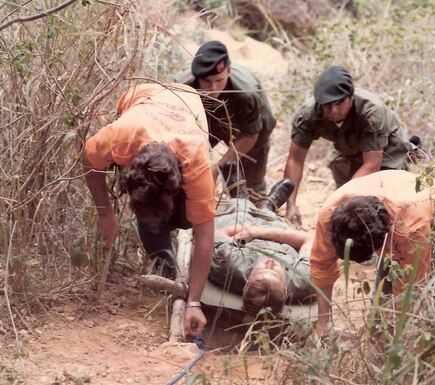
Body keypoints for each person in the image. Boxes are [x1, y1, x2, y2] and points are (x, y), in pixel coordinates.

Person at [81, 82, 216, 337]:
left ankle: (167, 231)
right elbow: (88, 160)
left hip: (188, 100)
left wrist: (194, 303)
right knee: (151, 221)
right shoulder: (119, 138)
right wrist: (105, 214)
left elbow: (205, 237)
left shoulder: (196, 163)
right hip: (144, 96)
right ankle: (164, 259)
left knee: (188, 220)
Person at [310, 170, 435, 337]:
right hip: (401, 207)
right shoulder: (330, 215)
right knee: (380, 314)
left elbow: (408, 294)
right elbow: (321, 266)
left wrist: (388, 342)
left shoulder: (412, 227)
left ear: (385, 236)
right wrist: (323, 322)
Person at [283, 65, 414, 224]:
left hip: (387, 152)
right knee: (346, 207)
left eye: (339, 103)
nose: (333, 110)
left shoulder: (371, 112)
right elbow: (295, 159)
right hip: (348, 148)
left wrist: (337, 201)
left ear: (351, 97)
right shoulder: (308, 114)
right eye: (326, 104)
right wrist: (291, 204)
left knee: (381, 204)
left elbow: (372, 164)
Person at [209, 164, 315, 314]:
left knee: (240, 211)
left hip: (241, 227)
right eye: (276, 272)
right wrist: (262, 232)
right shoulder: (303, 281)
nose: (270, 263)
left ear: (246, 285)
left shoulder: (230, 266)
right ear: (285, 290)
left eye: (263, 269)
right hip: (277, 232)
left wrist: (251, 231)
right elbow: (309, 239)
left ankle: (240, 197)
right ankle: (268, 206)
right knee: (274, 220)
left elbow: (219, 233)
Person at [178, 40, 277, 194]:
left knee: (252, 183)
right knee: (184, 170)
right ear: (197, 76)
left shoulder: (246, 94)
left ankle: (257, 208)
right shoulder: (181, 87)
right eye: (207, 81)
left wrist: (217, 168)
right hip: (206, 121)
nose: (213, 88)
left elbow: (250, 135)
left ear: (228, 70)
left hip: (248, 126)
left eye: (219, 80)